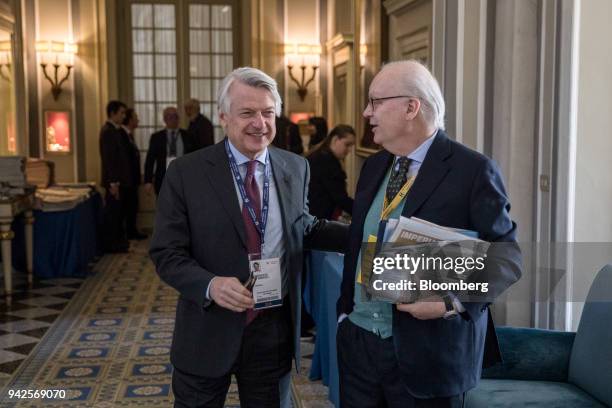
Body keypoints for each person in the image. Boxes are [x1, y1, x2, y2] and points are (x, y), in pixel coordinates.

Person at [149, 67, 348, 407]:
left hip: (271, 330)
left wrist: (371, 233)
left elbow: (303, 226)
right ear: (223, 117)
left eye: (267, 112)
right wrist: (210, 284)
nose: (260, 123)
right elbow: (166, 253)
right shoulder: (187, 173)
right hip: (207, 328)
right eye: (247, 113)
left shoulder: (295, 167)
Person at [336, 60, 522, 407]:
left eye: (375, 102)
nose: (365, 112)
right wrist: (345, 318)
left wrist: (449, 303)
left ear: (411, 107)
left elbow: (507, 258)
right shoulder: (375, 165)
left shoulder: (473, 171)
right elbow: (364, 236)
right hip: (359, 346)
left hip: (430, 355)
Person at [99, 100, 131, 253]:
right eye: (121, 113)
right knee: (113, 215)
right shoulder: (108, 131)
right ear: (113, 113)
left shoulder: (116, 131)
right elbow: (109, 159)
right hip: (114, 182)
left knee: (119, 214)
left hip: (119, 181)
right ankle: (112, 244)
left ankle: (118, 243)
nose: (124, 116)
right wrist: (113, 183)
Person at [307, 124, 356, 220]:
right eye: (347, 144)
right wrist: (362, 211)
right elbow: (339, 197)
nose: (349, 150)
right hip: (317, 218)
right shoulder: (327, 161)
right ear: (335, 139)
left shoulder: (319, 155)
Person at [144, 107, 194, 196]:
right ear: (164, 119)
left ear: (179, 119)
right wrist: (148, 181)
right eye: (169, 116)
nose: (173, 119)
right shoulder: (156, 137)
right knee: (164, 208)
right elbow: (150, 160)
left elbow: (194, 158)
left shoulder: (188, 136)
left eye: (175, 116)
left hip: (183, 179)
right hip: (162, 179)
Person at [120, 108, 147, 240]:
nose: (138, 120)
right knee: (127, 208)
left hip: (132, 180)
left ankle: (132, 231)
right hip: (126, 181)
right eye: (136, 117)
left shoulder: (129, 135)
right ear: (130, 120)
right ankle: (128, 232)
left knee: (132, 207)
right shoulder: (121, 135)